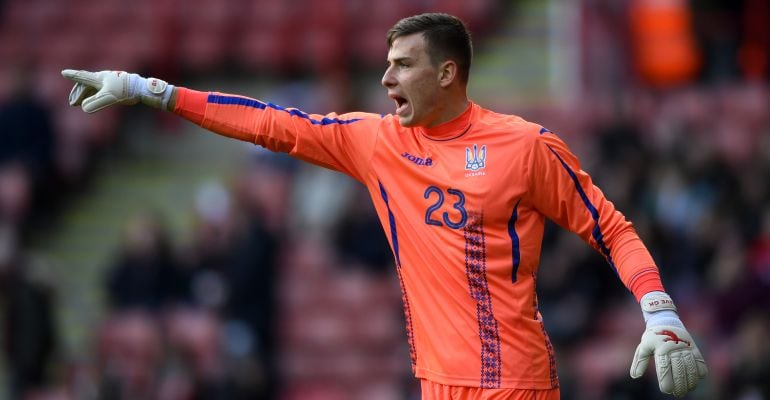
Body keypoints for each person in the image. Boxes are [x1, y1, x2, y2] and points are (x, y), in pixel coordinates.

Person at [61, 12, 707, 399]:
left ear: (447, 74)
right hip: (435, 384)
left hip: (514, 383)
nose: (385, 79)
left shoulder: (525, 147)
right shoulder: (376, 144)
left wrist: (660, 310)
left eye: (401, 66)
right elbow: (268, 123)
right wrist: (151, 90)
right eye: (386, 65)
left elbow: (612, 228)